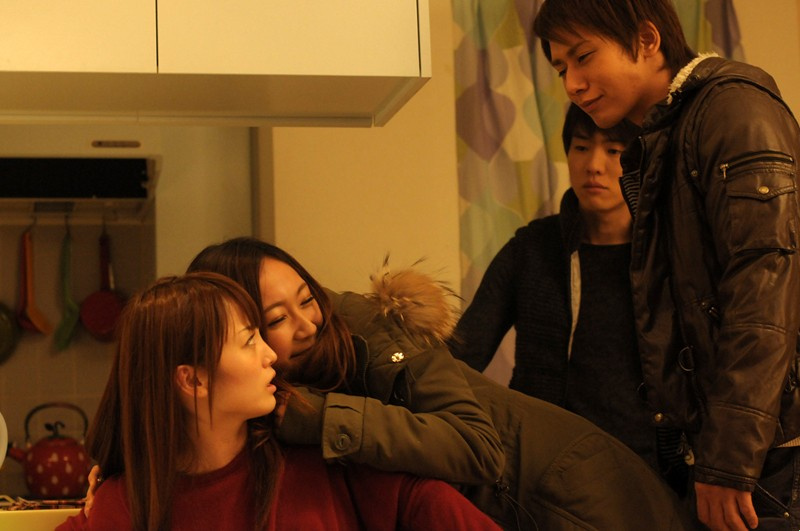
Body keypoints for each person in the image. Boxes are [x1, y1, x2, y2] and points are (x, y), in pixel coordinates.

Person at [187, 237, 694, 530]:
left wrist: (323, 420)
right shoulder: (274, 391)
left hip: (573, 495)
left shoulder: (366, 333)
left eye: (307, 298)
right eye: (276, 319)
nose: (307, 324)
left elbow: (478, 447)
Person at [533, 2, 800, 530]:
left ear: (647, 39)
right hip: (737, 449)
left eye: (583, 57)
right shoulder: (666, 133)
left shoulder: (732, 110)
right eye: (561, 69)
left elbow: (764, 292)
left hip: (772, 454)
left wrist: (728, 459)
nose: (573, 84)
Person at [58, 272, 501, 530]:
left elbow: (425, 502)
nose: (270, 355)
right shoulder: (123, 505)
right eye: (249, 340)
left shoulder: (318, 464)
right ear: (192, 380)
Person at [450, 102, 681, 486]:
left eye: (614, 150)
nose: (594, 165)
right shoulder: (533, 248)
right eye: (581, 147)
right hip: (542, 467)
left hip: (648, 472)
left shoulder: (669, 254)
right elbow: (463, 352)